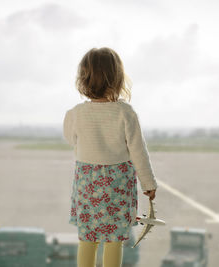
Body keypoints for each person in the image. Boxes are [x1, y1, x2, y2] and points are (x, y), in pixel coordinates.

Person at [63, 47, 158, 267]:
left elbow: (71, 139)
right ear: (117, 79)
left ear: (83, 80)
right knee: (113, 241)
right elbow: (138, 152)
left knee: (87, 240)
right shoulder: (126, 113)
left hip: (87, 181)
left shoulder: (75, 113)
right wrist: (149, 183)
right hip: (117, 183)